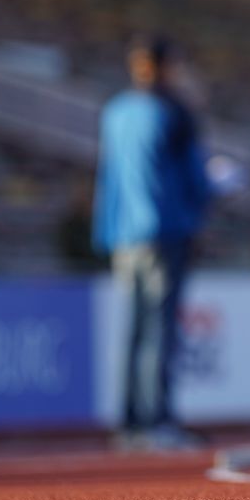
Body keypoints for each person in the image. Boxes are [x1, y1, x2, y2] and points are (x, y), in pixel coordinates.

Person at [91, 34, 214, 447]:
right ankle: (156, 421)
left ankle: (130, 424)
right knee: (160, 328)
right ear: (165, 66)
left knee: (134, 328)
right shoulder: (174, 111)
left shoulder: (115, 110)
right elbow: (195, 178)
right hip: (165, 231)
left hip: (124, 232)